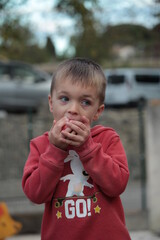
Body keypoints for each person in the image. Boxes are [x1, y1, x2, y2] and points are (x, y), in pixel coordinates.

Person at [22, 58, 131, 240]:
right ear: (51, 103)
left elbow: (117, 185)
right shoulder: (41, 145)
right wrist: (55, 150)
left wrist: (87, 147)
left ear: (98, 111)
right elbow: (35, 195)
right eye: (64, 99)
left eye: (85, 102)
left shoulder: (107, 139)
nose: (73, 109)